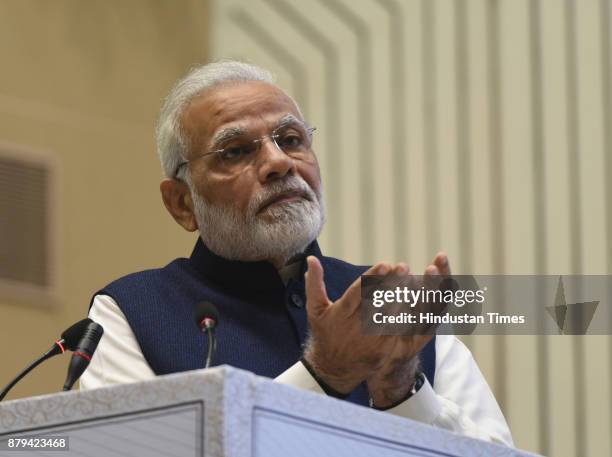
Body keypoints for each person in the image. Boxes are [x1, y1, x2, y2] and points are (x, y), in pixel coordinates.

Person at [81, 61, 513, 446]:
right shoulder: (130, 312)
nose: (278, 163)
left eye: (290, 139)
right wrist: (323, 375)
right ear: (182, 203)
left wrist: (403, 393)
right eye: (235, 151)